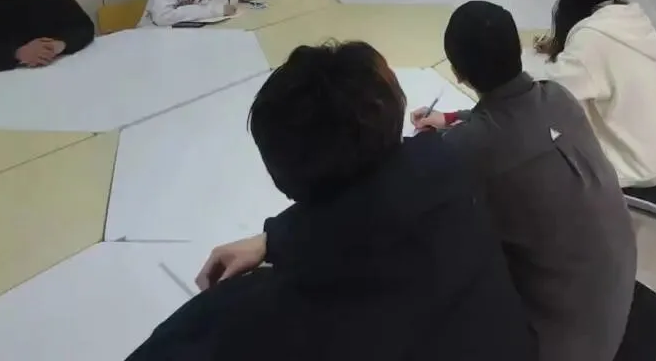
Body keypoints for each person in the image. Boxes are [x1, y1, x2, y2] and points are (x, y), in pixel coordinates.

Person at [136, 42, 535, 361]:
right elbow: (370, 212)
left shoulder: (247, 319)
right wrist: (274, 240)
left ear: (280, 175)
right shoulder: (448, 168)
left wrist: (275, 247)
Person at [411, 1, 635, 361]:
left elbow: (419, 175)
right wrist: (451, 118)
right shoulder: (558, 97)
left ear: (457, 73)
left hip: (561, 344)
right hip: (616, 298)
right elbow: (513, 115)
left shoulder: (471, 147)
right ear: (518, 51)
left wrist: (431, 136)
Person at [540, 0, 656, 191]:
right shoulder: (631, 21)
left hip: (639, 171)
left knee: (545, 148)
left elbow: (551, 98)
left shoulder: (591, 39)